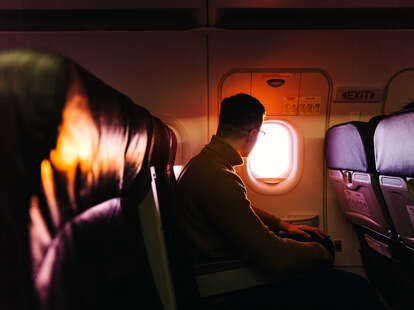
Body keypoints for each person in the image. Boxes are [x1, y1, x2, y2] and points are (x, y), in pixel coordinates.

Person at [173, 93, 386, 309]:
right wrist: (321, 252)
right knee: (355, 288)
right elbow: (275, 258)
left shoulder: (206, 164)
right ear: (253, 134)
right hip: (227, 283)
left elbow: (239, 210)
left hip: (226, 267)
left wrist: (283, 226)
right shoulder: (217, 177)